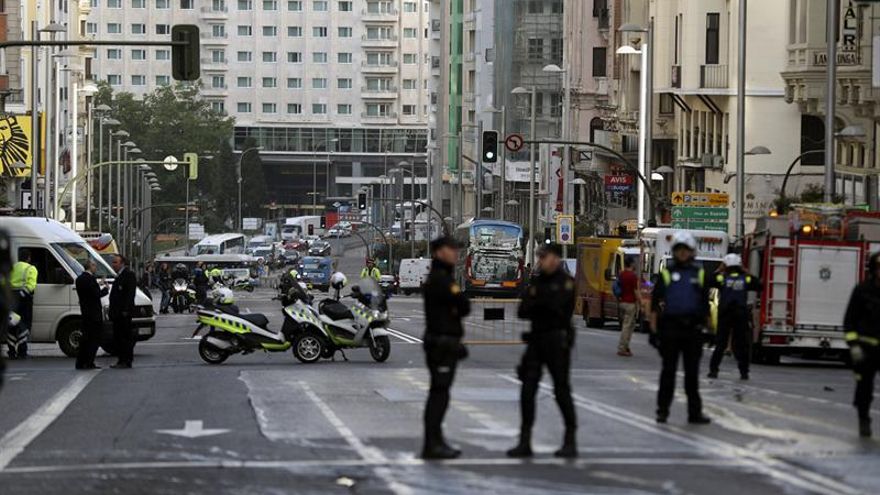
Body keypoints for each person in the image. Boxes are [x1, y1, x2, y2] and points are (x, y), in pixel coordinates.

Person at [507, 243, 578, 458]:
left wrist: (538, 304)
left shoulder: (565, 283)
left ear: (555, 259)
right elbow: (522, 310)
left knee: (561, 390)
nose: (541, 260)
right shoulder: (536, 282)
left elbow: (557, 309)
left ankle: (570, 440)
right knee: (527, 389)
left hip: (557, 341)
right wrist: (538, 304)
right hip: (536, 341)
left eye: (544, 257)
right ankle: (524, 440)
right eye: (540, 257)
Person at [650, 231, 712, 425]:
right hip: (671, 329)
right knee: (668, 373)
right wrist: (653, 331)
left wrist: (710, 330)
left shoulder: (699, 273)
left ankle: (695, 413)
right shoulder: (666, 273)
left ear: (691, 251)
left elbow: (705, 305)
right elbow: (653, 305)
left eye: (686, 250)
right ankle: (662, 411)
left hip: (693, 330)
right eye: (679, 250)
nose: (682, 253)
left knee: (692, 375)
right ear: (674, 251)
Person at [421, 236, 470, 460]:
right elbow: (462, 306)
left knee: (440, 394)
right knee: (439, 395)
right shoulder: (441, 279)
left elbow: (460, 307)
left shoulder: (443, 276)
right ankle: (432, 443)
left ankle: (436, 441)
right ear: (439, 252)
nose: (455, 253)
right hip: (441, 343)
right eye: (451, 249)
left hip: (443, 342)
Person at [843, 251, 880, 438]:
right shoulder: (862, 291)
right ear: (874, 269)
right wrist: (854, 346)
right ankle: (863, 418)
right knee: (865, 387)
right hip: (866, 349)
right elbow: (849, 321)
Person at [708, 253, 761, 380]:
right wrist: (746, 271)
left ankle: (714, 371)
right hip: (740, 314)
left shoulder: (722, 278)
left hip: (725, 314)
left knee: (720, 344)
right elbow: (758, 284)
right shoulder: (745, 279)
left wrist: (719, 269)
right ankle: (744, 372)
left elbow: (709, 280)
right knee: (742, 345)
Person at [75, 260, 109, 370]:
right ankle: (89, 362)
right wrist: (105, 289)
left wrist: (97, 284)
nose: (96, 268)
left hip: (85, 312)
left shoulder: (80, 279)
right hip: (94, 314)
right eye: (94, 265)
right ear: (90, 266)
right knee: (94, 339)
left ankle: (80, 362)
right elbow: (96, 294)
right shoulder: (90, 279)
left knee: (85, 339)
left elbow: (88, 292)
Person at [109, 254, 137, 369]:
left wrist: (126, 309)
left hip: (123, 313)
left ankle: (126, 360)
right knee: (118, 337)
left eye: (115, 262)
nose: (113, 265)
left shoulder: (128, 275)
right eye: (113, 262)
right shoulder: (118, 276)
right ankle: (121, 359)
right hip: (117, 313)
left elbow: (130, 294)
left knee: (125, 337)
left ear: (122, 263)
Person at [8, 249, 37, 359]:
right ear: (28, 258)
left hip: (11, 298)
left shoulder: (12, 267)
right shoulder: (31, 268)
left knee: (12, 324)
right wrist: (21, 294)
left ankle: (11, 352)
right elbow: (31, 285)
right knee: (24, 325)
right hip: (24, 300)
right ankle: (22, 352)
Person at [617, 256, 640, 357]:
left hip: (622, 302)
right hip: (630, 303)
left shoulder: (621, 274)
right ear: (631, 264)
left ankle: (626, 346)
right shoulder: (632, 276)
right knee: (627, 326)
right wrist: (641, 302)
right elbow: (636, 291)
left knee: (629, 325)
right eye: (634, 262)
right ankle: (622, 348)